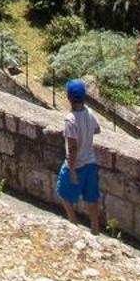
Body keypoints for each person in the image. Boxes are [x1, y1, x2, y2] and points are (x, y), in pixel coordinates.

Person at [56, 78, 103, 231]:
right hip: (91, 162)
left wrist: (71, 169)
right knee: (91, 198)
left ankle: (73, 224)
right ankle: (95, 229)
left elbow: (72, 147)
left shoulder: (70, 120)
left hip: (77, 164)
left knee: (63, 192)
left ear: (69, 98)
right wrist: (86, 131)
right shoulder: (89, 113)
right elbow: (97, 129)